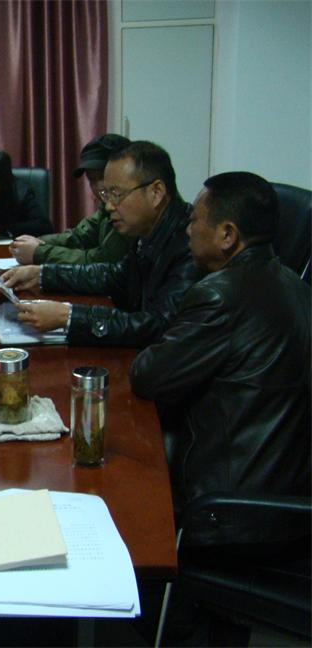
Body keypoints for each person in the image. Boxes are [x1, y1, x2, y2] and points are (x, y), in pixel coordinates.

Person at [130, 172, 310, 543]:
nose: (187, 230)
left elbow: (147, 375)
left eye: (194, 220)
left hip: (227, 513)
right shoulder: (298, 288)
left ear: (227, 235)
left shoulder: (220, 295)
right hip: (281, 501)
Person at [1, 141, 199, 347]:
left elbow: (159, 326)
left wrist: (68, 317)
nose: (109, 206)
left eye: (117, 195)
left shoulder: (191, 245)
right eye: (106, 195)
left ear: (156, 192)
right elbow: (114, 276)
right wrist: (42, 274)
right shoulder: (149, 229)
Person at [10, 134, 134, 264]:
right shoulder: (107, 206)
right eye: (92, 180)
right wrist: (38, 242)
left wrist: (40, 252)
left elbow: (103, 261)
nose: (99, 188)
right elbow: (79, 236)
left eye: (103, 177)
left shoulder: (128, 212)